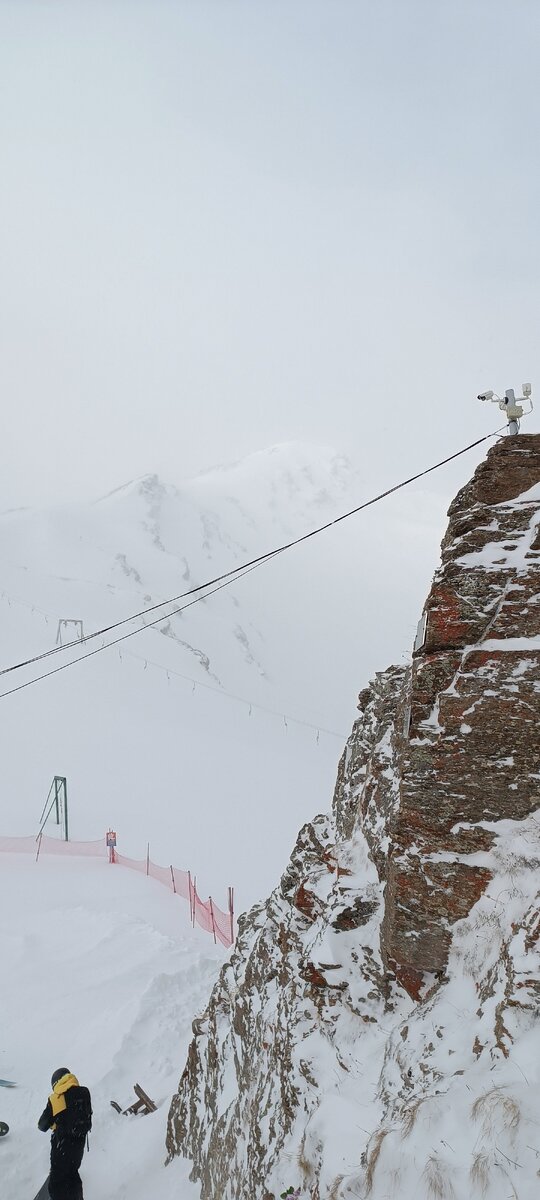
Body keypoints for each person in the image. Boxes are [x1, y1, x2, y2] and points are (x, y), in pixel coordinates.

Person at [38, 1068, 92, 1200]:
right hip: (79, 1147)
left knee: (57, 1183)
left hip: (61, 1147)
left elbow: (42, 1125)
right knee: (73, 1175)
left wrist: (54, 1123)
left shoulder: (56, 1098)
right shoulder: (84, 1092)